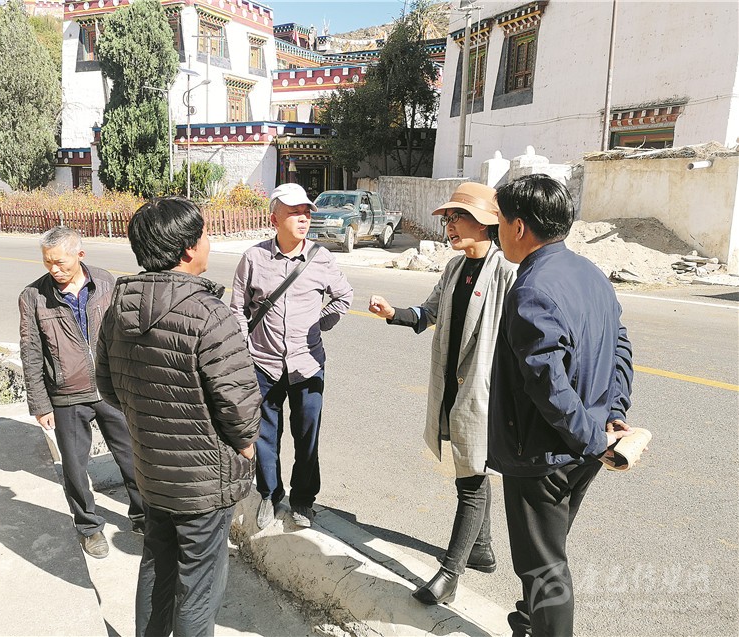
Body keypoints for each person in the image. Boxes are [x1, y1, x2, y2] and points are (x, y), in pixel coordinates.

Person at [95, 197, 261, 637]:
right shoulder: (210, 314)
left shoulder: (118, 309)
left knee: (157, 565)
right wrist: (246, 445)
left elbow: (108, 386)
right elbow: (239, 404)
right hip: (203, 480)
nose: (209, 242)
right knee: (198, 587)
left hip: (152, 470)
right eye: (205, 235)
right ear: (188, 249)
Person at [488, 174, 634, 637]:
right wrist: (613, 413)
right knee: (547, 550)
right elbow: (620, 346)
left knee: (544, 569)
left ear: (518, 227)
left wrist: (594, 438)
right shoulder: (589, 273)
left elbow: (547, 384)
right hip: (584, 443)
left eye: (499, 222)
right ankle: (528, 622)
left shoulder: (531, 289)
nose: (497, 232)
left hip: (545, 453)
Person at [368, 182, 517, 605]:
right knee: (472, 467)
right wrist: (394, 313)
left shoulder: (505, 272)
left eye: (458, 218)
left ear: (484, 222)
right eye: (448, 219)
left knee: (470, 482)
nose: (449, 225)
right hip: (452, 387)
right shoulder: (454, 269)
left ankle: (450, 575)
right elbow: (429, 311)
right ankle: (482, 550)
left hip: (483, 393)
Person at [230, 182, 353, 529]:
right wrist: (245, 346)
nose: (303, 218)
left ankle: (303, 500)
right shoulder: (254, 258)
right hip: (263, 364)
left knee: (307, 436)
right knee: (265, 437)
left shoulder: (321, 258)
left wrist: (318, 325)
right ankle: (270, 495)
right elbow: (237, 308)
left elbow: (344, 297)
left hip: (307, 365)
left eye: (306, 212)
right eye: (294, 212)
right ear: (274, 219)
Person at [19, 226, 143, 559]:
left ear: (80, 255)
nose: (54, 269)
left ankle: (143, 516)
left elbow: (124, 333)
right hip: (66, 395)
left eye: (60, 262)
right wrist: (40, 403)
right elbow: (30, 352)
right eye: (48, 262)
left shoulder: (105, 282)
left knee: (133, 458)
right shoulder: (33, 296)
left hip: (111, 389)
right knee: (74, 468)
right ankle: (89, 527)